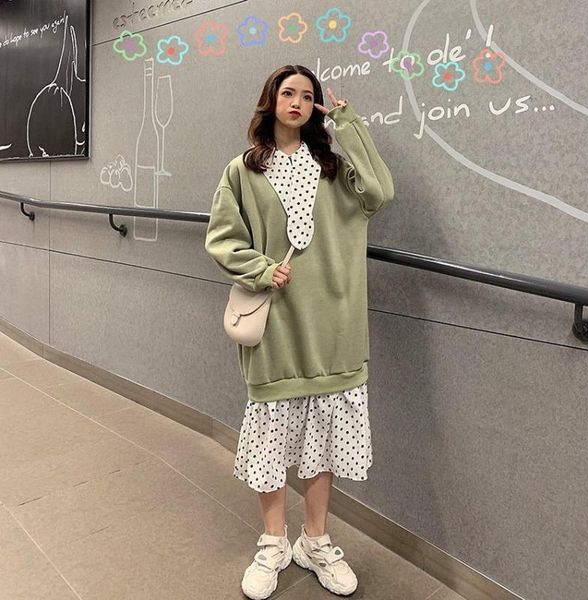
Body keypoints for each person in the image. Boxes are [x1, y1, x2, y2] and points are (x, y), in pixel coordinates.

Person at [205, 64, 394, 599]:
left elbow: (380, 192)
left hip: (336, 321)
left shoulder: (335, 167)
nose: (298, 102)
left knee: (324, 442)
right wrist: (262, 270)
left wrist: (348, 125)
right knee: (270, 437)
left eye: (308, 96)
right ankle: (273, 543)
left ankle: (315, 540)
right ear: (270, 101)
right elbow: (222, 238)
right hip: (278, 325)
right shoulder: (243, 170)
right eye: (288, 93)